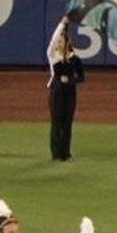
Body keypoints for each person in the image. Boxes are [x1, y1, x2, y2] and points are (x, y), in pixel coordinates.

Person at [47, 15, 84, 162]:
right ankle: (56, 153)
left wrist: (70, 80)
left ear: (67, 43)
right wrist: (62, 24)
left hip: (70, 93)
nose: (59, 44)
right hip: (56, 92)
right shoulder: (52, 56)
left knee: (67, 122)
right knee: (56, 121)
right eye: (59, 42)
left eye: (62, 41)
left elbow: (81, 77)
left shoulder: (74, 59)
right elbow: (53, 40)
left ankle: (65, 153)